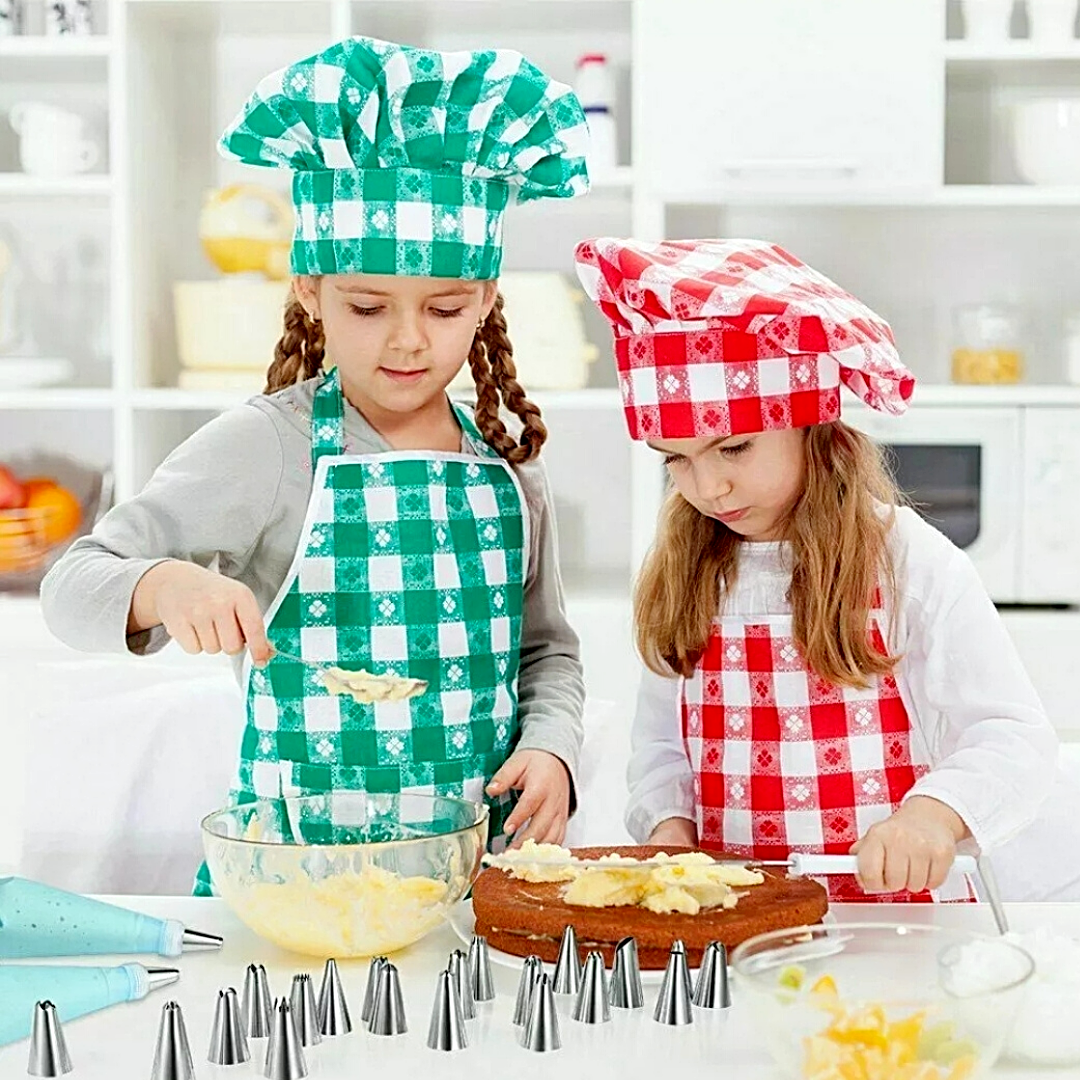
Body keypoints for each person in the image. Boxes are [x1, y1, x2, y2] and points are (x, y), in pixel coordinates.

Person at [41, 36, 590, 894]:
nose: (408, 341)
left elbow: (547, 650)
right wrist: (162, 585)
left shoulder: (508, 464)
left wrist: (552, 748)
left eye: (445, 309)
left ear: (485, 299)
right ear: (310, 289)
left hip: (474, 882)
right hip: (295, 885)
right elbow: (71, 586)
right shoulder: (269, 447)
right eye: (367, 307)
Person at [574, 235, 1073, 902]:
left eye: (734, 448)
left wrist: (933, 817)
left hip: (894, 918)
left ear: (811, 425)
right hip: (737, 913)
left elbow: (1010, 734)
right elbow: (662, 749)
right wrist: (670, 829)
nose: (709, 488)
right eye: (677, 459)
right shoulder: (686, 571)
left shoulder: (904, 559)